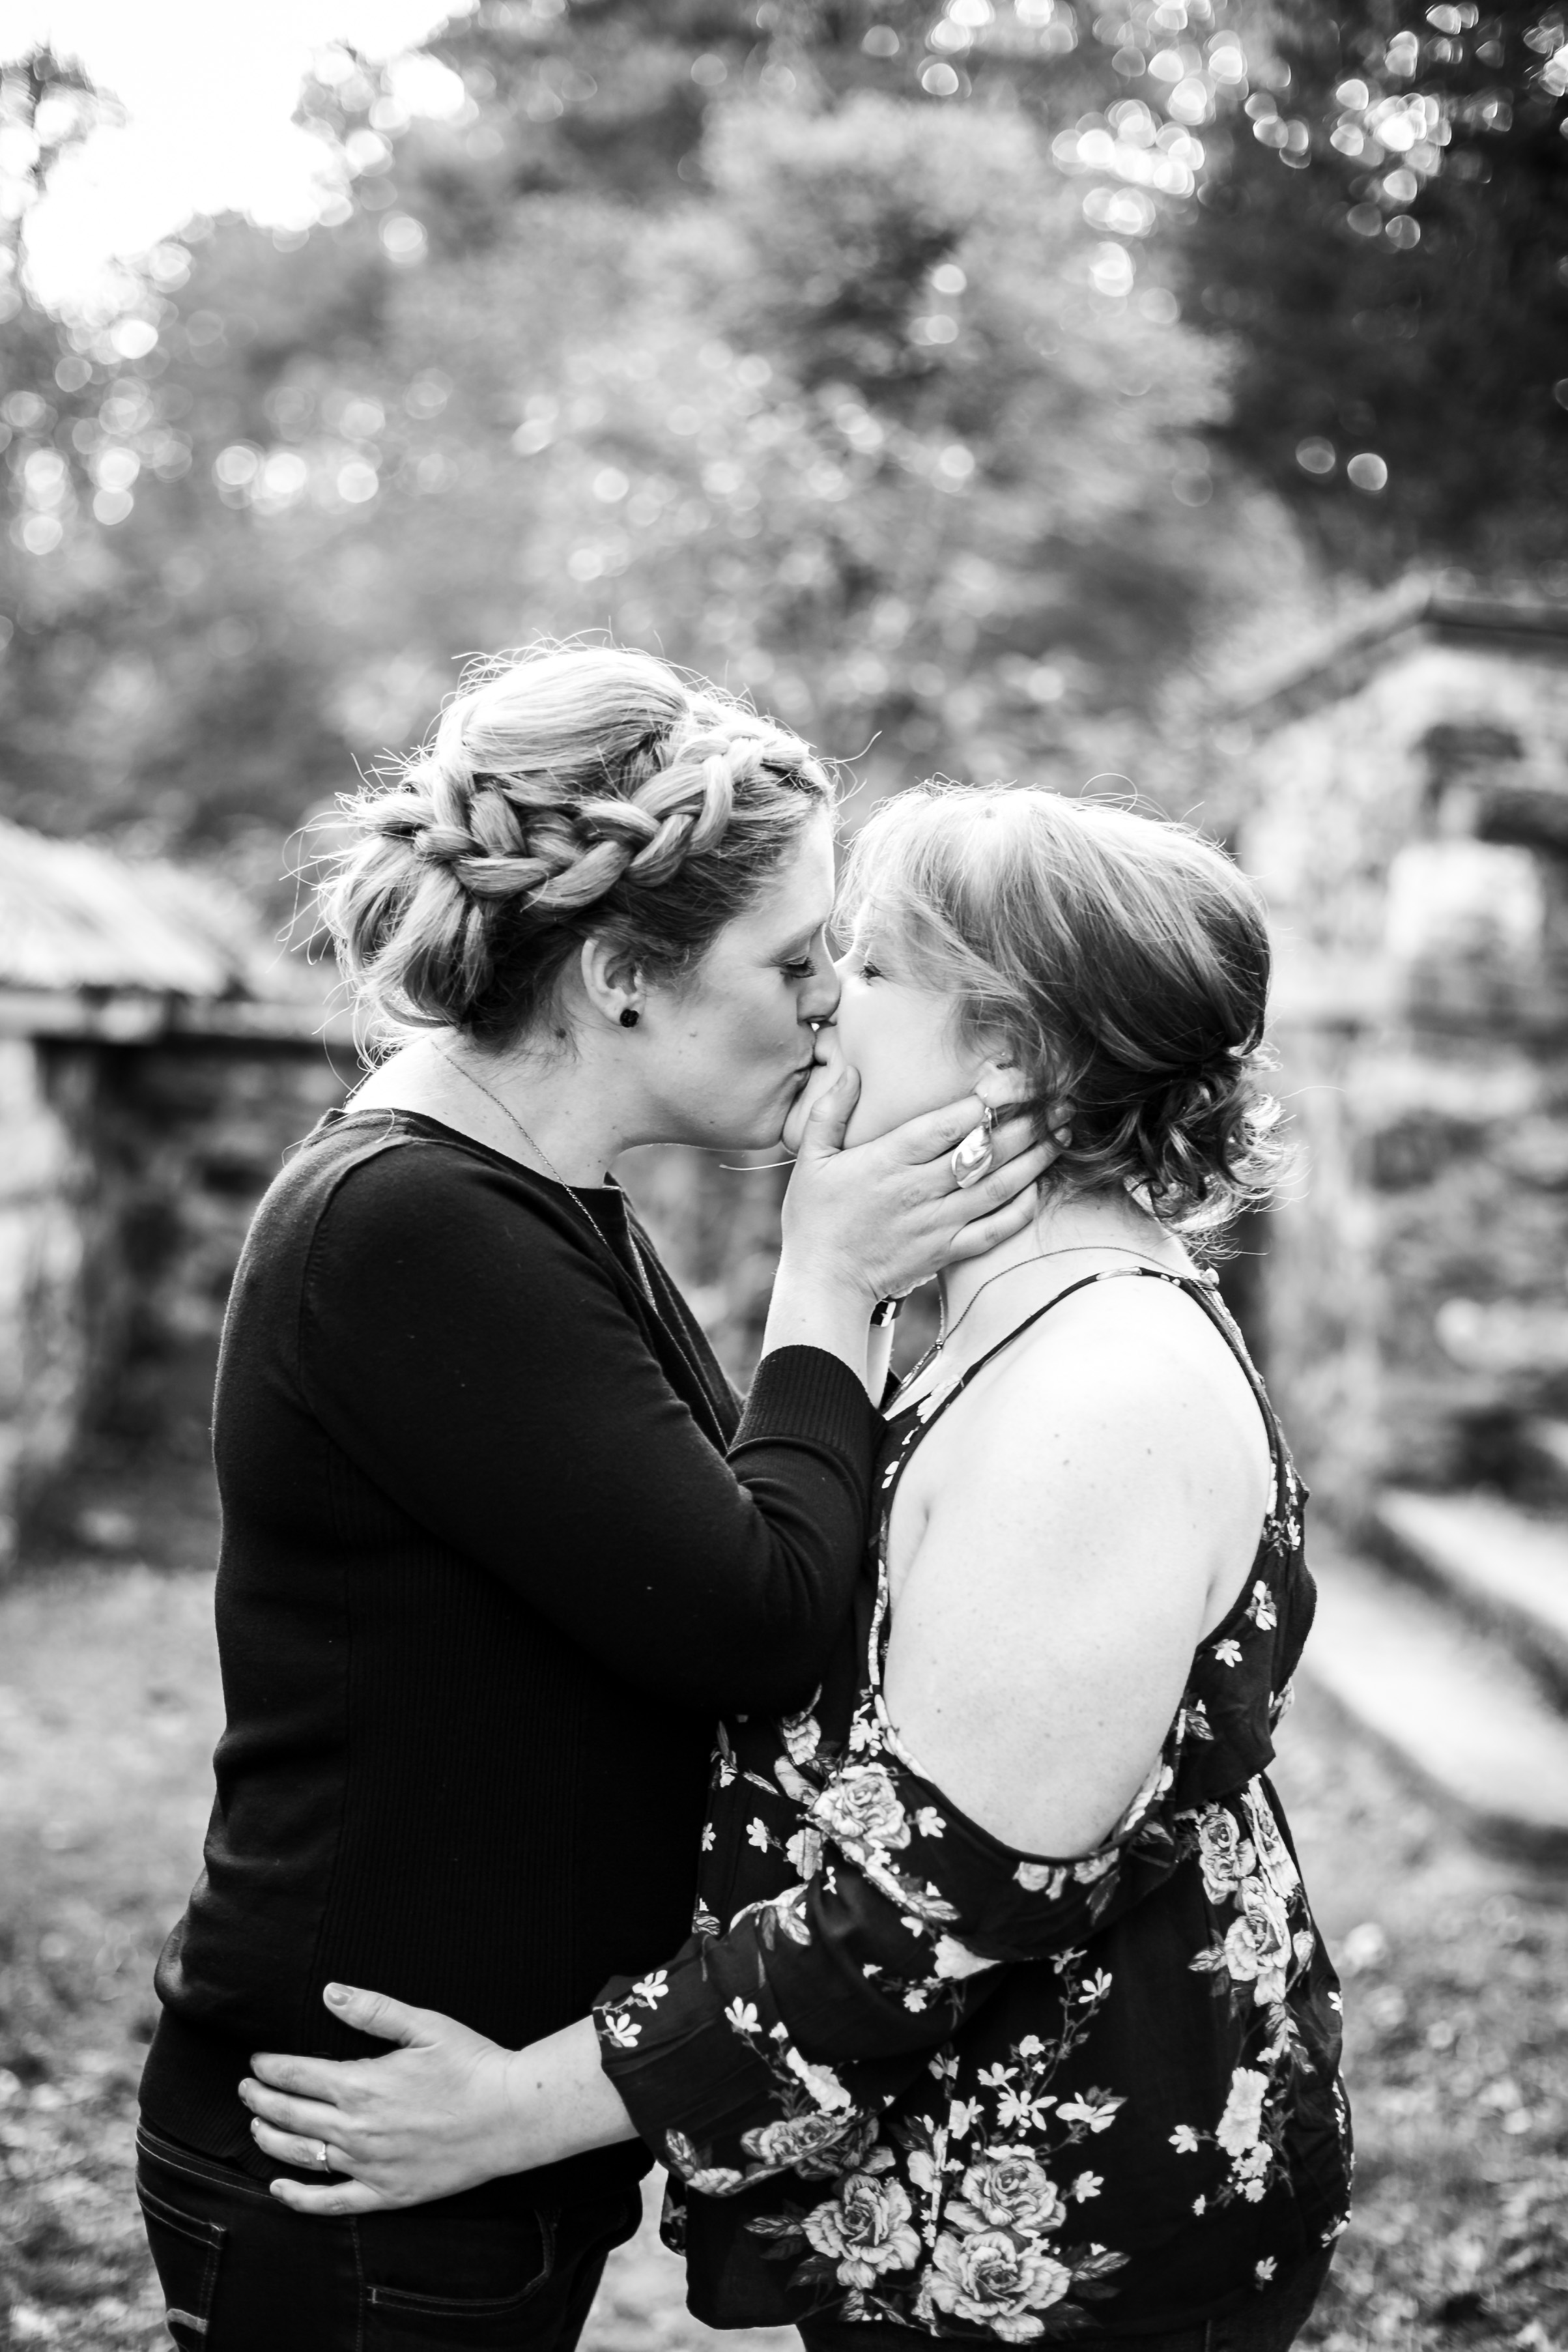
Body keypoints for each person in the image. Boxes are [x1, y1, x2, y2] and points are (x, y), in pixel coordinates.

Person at [241, 783, 1352, 2352]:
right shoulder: (986, 1317)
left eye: (870, 963)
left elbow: (929, 1915)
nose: (823, 998)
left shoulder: (1098, 1388)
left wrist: (515, 2107)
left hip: (1076, 2220)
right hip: (970, 2194)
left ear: (1012, 1053)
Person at [134, 654, 1051, 2352]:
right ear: (626, 972)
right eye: (796, 963)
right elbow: (748, 1614)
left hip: (469, 2135)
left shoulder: (542, 1195)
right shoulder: (410, 1228)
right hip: (366, 2156)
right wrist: (829, 1282)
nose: (832, 1007)